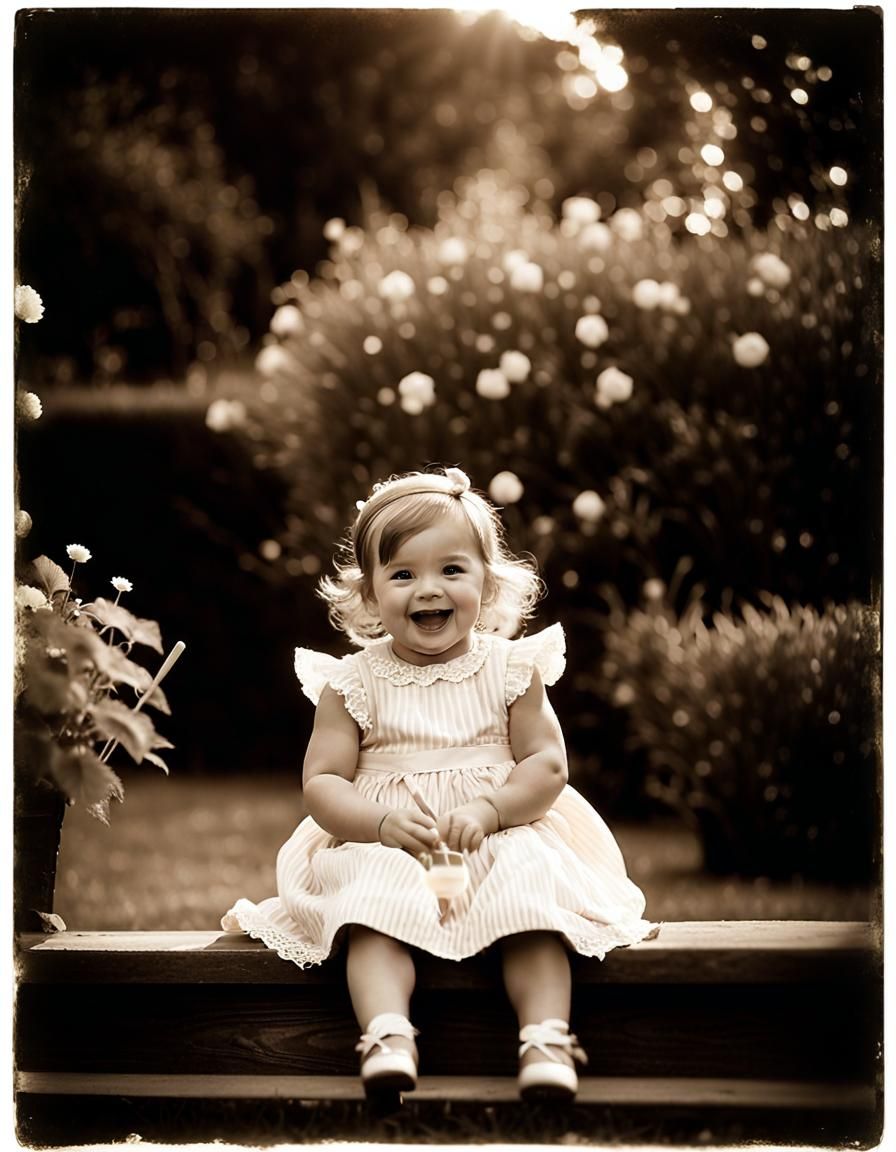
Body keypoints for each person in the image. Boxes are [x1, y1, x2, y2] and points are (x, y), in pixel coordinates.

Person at [222, 466, 656, 1102]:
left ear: (488, 581)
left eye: (452, 570)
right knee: (373, 907)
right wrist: (376, 823)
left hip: (497, 833)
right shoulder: (352, 682)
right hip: (392, 841)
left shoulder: (512, 667)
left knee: (530, 901)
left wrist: (492, 808)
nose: (429, 589)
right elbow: (322, 782)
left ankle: (546, 1038)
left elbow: (546, 765)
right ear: (369, 595)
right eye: (402, 574)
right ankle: (388, 1035)